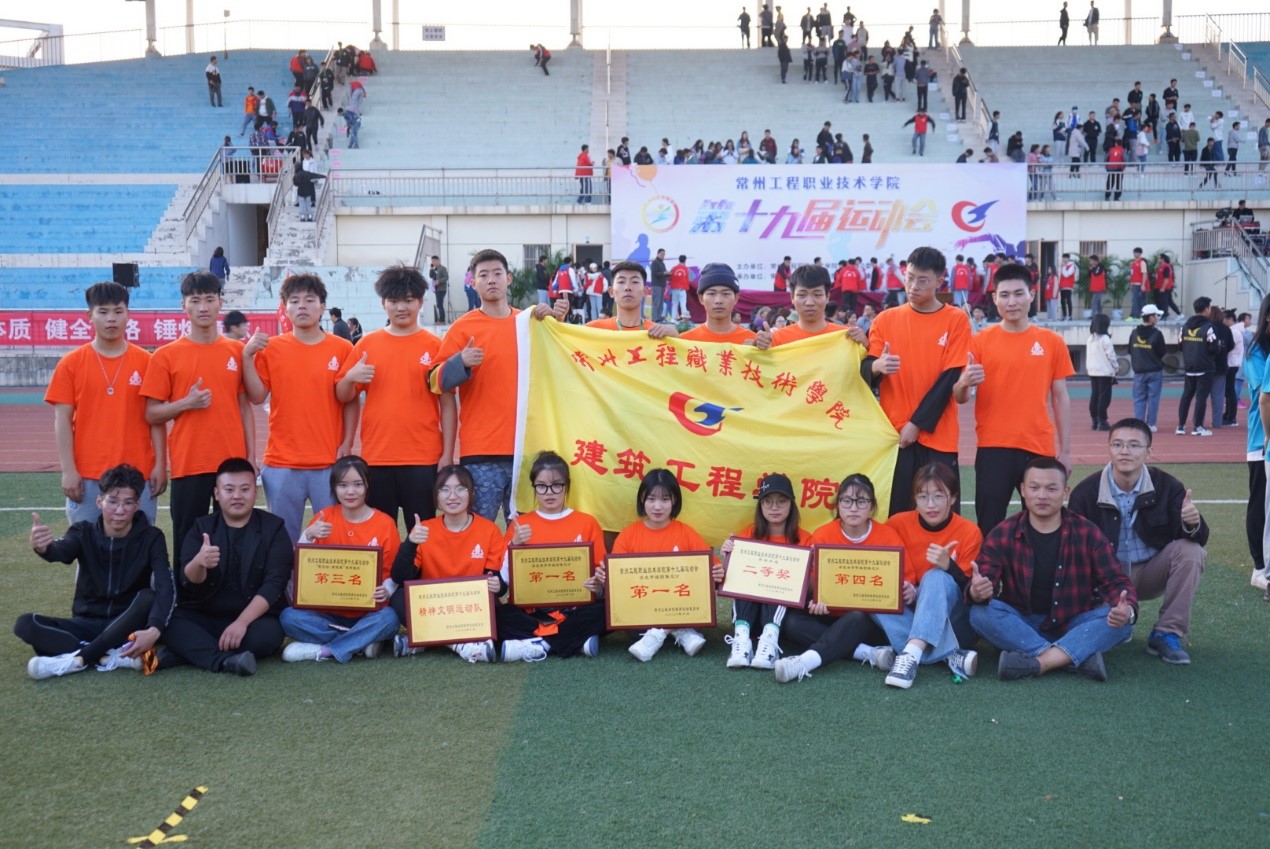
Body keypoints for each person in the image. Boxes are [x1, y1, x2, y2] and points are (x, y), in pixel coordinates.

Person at [430, 250, 567, 523]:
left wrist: (557, 322)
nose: (491, 280)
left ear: (509, 278)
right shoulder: (462, 328)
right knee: (479, 530)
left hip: (527, 448)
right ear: (473, 283)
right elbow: (435, 381)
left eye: (497, 273)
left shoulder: (530, 323)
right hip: (481, 452)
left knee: (528, 533)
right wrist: (460, 362)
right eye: (483, 275)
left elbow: (560, 361)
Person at [969, 457, 1135, 681]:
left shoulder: (1087, 532)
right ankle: (1072, 657)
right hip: (1022, 622)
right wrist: (977, 591)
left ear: (1065, 492)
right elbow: (984, 578)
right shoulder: (1003, 532)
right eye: (1034, 488)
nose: (1042, 495)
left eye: (1051, 489)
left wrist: (1126, 608)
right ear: (1023, 490)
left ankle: (1039, 662)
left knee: (1122, 623)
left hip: (1073, 622)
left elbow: (1115, 580)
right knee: (979, 613)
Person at [1069, 418, 1208, 664]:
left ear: (1148, 451)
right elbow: (1074, 552)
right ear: (1109, 448)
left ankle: (1166, 632)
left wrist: (1192, 522)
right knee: (1105, 631)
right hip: (1107, 578)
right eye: (1118, 444)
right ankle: (1117, 619)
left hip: (1151, 570)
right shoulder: (1086, 492)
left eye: (1134, 445)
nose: (1125, 451)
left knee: (1191, 551)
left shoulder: (1167, 486)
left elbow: (1198, 537)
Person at [18, 463, 173, 679]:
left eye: (128, 503)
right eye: (113, 502)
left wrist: (155, 628)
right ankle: (108, 656)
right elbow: (61, 551)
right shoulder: (83, 531)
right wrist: (44, 548)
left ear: (137, 505)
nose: (120, 511)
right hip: (86, 622)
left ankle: (79, 659)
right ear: (99, 502)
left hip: (126, 623)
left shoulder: (152, 537)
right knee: (26, 624)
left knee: (148, 597)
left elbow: (166, 585)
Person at [141, 272, 252, 563]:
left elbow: (245, 408)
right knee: (188, 540)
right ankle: (186, 591)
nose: (203, 307)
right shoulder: (165, 355)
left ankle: (230, 590)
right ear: (184, 305)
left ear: (220, 303)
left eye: (209, 299)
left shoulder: (237, 351)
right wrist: (185, 403)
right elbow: (151, 413)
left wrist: (250, 457)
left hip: (231, 463)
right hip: (189, 462)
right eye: (195, 300)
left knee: (233, 539)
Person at [954, 265, 1073, 536]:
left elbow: (1060, 397)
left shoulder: (1052, 342)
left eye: (1019, 294)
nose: (1012, 302)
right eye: (1005, 295)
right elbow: (960, 397)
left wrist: (1065, 451)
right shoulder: (979, 342)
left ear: (1031, 295)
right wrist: (964, 382)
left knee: (1042, 523)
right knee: (989, 524)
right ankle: (989, 566)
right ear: (994, 298)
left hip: (1038, 446)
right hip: (993, 447)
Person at [337, 265, 454, 533]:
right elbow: (343, 395)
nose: (401, 307)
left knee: (423, 533)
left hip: (423, 457)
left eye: (409, 300)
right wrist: (350, 377)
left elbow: (447, 403)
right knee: (379, 534)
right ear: (383, 304)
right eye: (393, 301)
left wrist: (447, 454)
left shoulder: (436, 346)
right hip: (378, 457)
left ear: (421, 302)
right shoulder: (367, 345)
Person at [241, 274, 355, 543]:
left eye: (309, 299)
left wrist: (347, 443)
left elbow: (349, 401)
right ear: (285, 307)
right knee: (283, 542)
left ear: (322, 306)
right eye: (294, 300)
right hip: (282, 462)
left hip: (328, 462)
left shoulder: (342, 348)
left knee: (332, 541)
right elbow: (257, 396)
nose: (302, 305)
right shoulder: (271, 348)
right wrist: (246, 356)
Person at [45, 282, 165, 526]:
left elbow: (156, 419)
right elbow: (62, 420)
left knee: (139, 545)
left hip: (138, 474)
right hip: (88, 475)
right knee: (87, 544)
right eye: (103, 311)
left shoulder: (147, 362)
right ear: (89, 315)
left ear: (128, 315)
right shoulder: (71, 363)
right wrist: (68, 470)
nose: (111, 318)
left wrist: (161, 465)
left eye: (118, 311)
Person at [864, 247, 972, 516]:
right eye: (910, 277)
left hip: (938, 435)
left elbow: (949, 379)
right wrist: (877, 367)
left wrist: (916, 423)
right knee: (896, 513)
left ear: (939, 281)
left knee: (941, 513)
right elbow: (866, 370)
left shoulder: (956, 319)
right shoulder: (885, 319)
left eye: (923, 280)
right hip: (894, 437)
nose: (913, 286)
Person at [163, 458, 291, 675]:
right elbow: (187, 580)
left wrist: (241, 622)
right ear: (217, 493)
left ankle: (190, 652)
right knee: (168, 621)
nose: (237, 496)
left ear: (255, 493)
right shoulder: (201, 527)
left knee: (268, 636)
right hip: (206, 615)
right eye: (229, 489)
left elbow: (274, 584)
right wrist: (199, 563)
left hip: (253, 619)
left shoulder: (274, 528)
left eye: (245, 489)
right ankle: (224, 660)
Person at [865, 463, 982, 689]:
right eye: (923, 496)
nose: (930, 505)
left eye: (938, 496)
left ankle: (910, 655)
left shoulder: (969, 532)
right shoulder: (897, 524)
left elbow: (969, 595)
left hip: (954, 622)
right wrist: (907, 588)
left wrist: (950, 567)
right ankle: (948, 655)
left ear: (953, 498)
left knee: (936, 577)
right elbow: (882, 567)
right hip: (911, 614)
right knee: (871, 593)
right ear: (915, 499)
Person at [772, 474, 897, 683]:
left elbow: (903, 582)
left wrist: (908, 589)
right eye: (846, 501)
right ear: (838, 504)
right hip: (829, 614)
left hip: (867, 620)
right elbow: (812, 584)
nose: (853, 508)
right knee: (792, 623)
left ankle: (806, 661)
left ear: (872, 506)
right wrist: (815, 599)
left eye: (861, 501)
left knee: (857, 617)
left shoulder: (888, 536)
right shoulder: (822, 535)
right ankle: (867, 653)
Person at [280, 456, 402, 663]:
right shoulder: (323, 518)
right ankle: (361, 642)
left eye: (357, 484)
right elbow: (302, 565)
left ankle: (326, 650)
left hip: (368, 613)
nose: (350, 492)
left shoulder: (384, 523)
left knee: (390, 619)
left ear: (367, 485)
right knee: (288, 617)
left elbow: (393, 573)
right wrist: (307, 536)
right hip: (325, 613)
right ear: (334, 488)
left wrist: (387, 589)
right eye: (343, 485)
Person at [489, 452, 608, 660]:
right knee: (497, 616)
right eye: (541, 486)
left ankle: (539, 644)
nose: (549, 492)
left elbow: (600, 579)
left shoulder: (586, 522)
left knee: (607, 610)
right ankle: (573, 642)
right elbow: (504, 583)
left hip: (575, 609)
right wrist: (514, 544)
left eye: (556, 485)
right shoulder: (521, 525)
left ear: (566, 486)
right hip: (532, 612)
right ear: (533, 487)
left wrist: (598, 585)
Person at [387, 464, 506, 663]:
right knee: (398, 598)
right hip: (434, 604)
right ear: (437, 496)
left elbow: (497, 584)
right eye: (445, 489)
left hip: (469, 606)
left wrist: (497, 584)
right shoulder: (424, 529)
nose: (452, 496)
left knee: (499, 610)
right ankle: (457, 644)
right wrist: (410, 543)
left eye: (460, 489)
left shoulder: (489, 530)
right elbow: (400, 577)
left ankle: (424, 639)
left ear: (472, 493)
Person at [614, 469, 723, 662]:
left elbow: (711, 565)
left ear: (674, 501)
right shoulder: (628, 535)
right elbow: (618, 579)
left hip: (678, 604)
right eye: (651, 499)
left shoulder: (686, 532)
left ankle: (658, 634)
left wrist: (717, 571)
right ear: (642, 499)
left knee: (698, 599)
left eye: (665, 499)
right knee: (629, 621)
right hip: (644, 607)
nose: (658, 506)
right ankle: (681, 631)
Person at [719, 473, 814, 670]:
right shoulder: (749, 534)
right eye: (768, 501)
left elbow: (811, 588)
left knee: (776, 579)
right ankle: (741, 641)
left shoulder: (805, 539)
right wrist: (729, 557)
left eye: (781, 501)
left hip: (782, 619)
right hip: (749, 617)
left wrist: (805, 568)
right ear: (760, 505)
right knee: (747, 575)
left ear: (791, 504)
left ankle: (769, 644)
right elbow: (730, 579)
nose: (774, 507)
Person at [678, 263, 767, 346]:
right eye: (711, 294)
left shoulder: (754, 342)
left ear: (736, 298)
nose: (718, 301)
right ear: (701, 298)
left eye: (725, 294)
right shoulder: (684, 342)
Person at [1176, 296, 1220, 436]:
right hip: (1205, 368)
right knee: (1201, 398)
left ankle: (1180, 426)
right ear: (1206, 309)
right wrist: (1218, 347)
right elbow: (1213, 348)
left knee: (1186, 396)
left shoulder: (1185, 326)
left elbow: (1180, 346)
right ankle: (1198, 427)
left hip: (1189, 367)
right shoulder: (1209, 327)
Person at [1130, 305, 1166, 431]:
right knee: (1153, 399)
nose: (1158, 318)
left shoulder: (1134, 333)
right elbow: (1162, 351)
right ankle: (1151, 424)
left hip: (1139, 371)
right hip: (1154, 371)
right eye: (1156, 315)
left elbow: (1130, 350)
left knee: (1139, 399)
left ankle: (1139, 424)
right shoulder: (1157, 334)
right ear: (1151, 318)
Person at [1085, 313, 1117, 432]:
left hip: (1093, 371)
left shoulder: (1090, 338)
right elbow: (1111, 356)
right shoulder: (1105, 339)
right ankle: (1102, 420)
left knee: (1095, 395)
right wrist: (1116, 368)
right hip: (1104, 371)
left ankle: (1095, 420)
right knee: (1104, 397)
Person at [668, 254, 692, 322]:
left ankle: (673, 319)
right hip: (682, 289)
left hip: (674, 289)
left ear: (679, 259)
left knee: (674, 304)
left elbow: (669, 278)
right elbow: (690, 279)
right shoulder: (687, 269)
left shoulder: (673, 268)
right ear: (685, 260)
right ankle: (684, 319)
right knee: (683, 304)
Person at [649, 248, 669, 322]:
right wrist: (664, 273)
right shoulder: (654, 262)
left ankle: (659, 317)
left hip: (662, 285)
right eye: (662, 254)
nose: (663, 256)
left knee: (660, 303)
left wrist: (668, 274)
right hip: (656, 285)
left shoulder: (662, 264)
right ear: (658, 254)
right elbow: (654, 273)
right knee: (656, 302)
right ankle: (654, 318)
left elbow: (664, 273)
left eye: (664, 254)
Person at [429, 255, 450, 325]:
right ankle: (441, 320)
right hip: (436, 289)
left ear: (438, 261)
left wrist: (439, 281)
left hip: (441, 289)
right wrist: (431, 269)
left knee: (439, 305)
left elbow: (446, 277)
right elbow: (430, 276)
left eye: (434, 261)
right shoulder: (435, 269)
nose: (432, 262)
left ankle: (442, 321)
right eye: (432, 261)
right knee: (439, 305)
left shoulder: (443, 268)